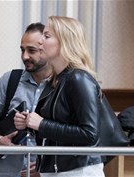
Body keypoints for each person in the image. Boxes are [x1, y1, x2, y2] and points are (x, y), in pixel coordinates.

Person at [13, 16, 106, 176]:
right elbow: (59, 127)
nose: (40, 41)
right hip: (59, 169)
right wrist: (29, 124)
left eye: (47, 36)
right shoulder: (57, 80)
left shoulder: (79, 78)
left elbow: (90, 134)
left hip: (78, 170)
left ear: (64, 42)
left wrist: (41, 124)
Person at [0, 23, 48, 177]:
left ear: (48, 50)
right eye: (22, 50)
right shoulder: (10, 79)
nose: (24, 56)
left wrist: (47, 167)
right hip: (3, 172)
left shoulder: (61, 86)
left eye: (31, 50)